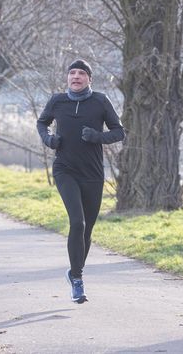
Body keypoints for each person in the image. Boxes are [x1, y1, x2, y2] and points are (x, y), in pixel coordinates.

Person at [37, 59, 125, 304]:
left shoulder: (100, 101)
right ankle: (78, 281)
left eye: (81, 73)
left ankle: (75, 272)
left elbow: (119, 131)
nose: (75, 77)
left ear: (89, 78)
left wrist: (97, 136)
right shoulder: (57, 101)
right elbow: (42, 122)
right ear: (67, 77)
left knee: (87, 229)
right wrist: (48, 139)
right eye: (72, 73)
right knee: (77, 222)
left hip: (93, 173)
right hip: (65, 169)